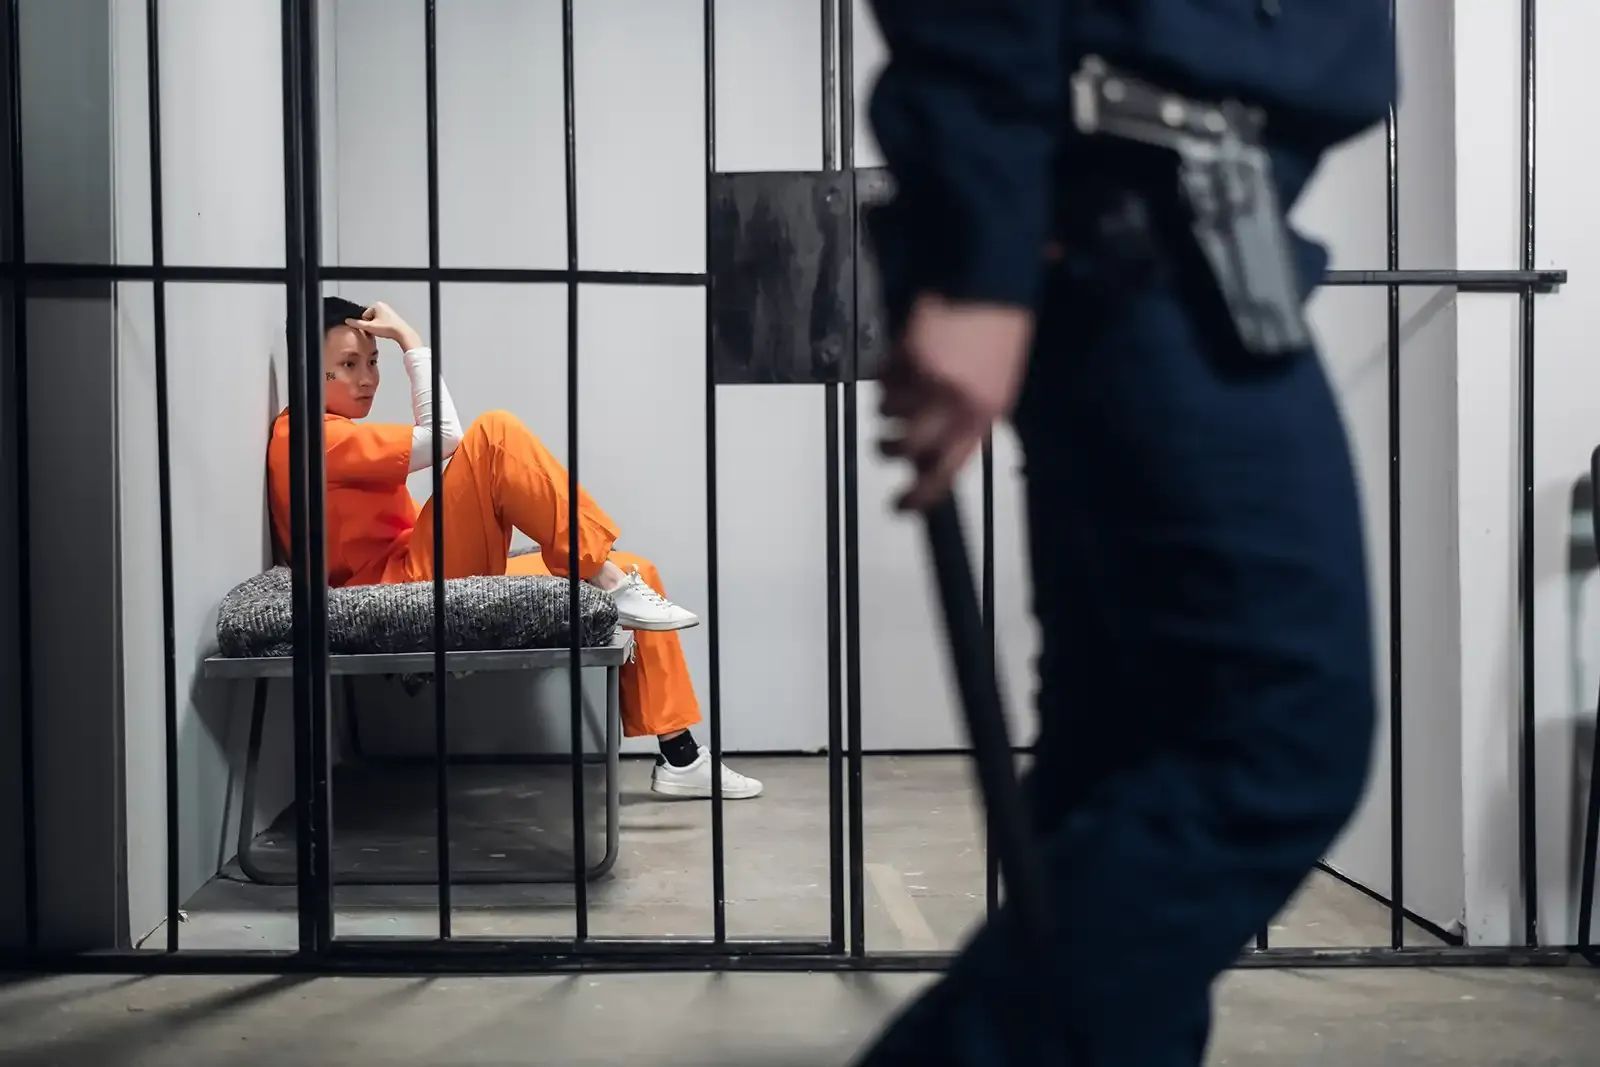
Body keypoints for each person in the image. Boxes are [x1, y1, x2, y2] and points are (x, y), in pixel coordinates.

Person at [860, 1, 1394, 1063]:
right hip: (1140, 199)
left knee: (1122, 762)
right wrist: (982, 238)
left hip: (1179, 202)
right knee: (1278, 734)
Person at [266, 296, 762, 800]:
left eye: (373, 362)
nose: (368, 378)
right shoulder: (306, 437)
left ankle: (682, 759)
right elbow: (445, 437)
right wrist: (411, 342)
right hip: (394, 588)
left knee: (639, 569)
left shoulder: (336, 434)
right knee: (495, 434)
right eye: (348, 366)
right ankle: (601, 574)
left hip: (416, 562)